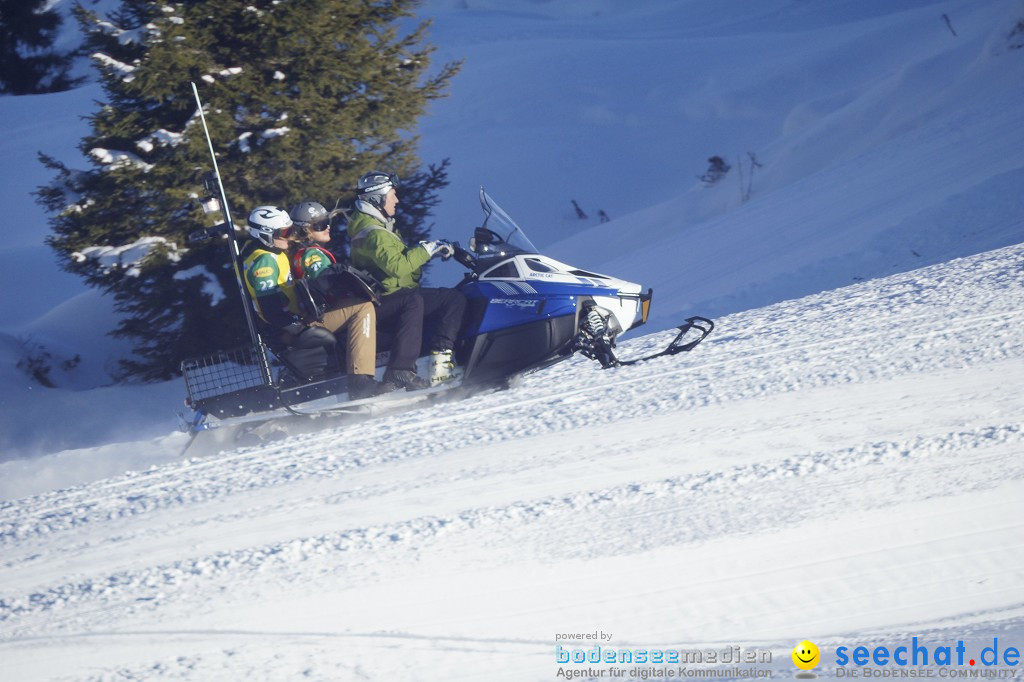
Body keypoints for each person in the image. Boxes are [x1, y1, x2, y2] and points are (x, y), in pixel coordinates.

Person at [241, 205, 388, 400]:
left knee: (355, 304)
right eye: (284, 232)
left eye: (290, 229)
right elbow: (270, 309)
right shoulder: (264, 261)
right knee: (363, 308)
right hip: (290, 328)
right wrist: (298, 328)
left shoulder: (273, 253)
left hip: (296, 320)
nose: (289, 235)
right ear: (266, 234)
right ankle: (360, 382)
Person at [346, 171, 466, 389]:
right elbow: (398, 266)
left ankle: (442, 364)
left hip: (393, 294)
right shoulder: (373, 232)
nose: (397, 200)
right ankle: (401, 370)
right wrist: (426, 250)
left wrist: (429, 249)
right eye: (393, 195)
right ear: (377, 198)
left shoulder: (379, 227)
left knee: (451, 298)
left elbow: (400, 264)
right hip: (384, 300)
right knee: (417, 300)